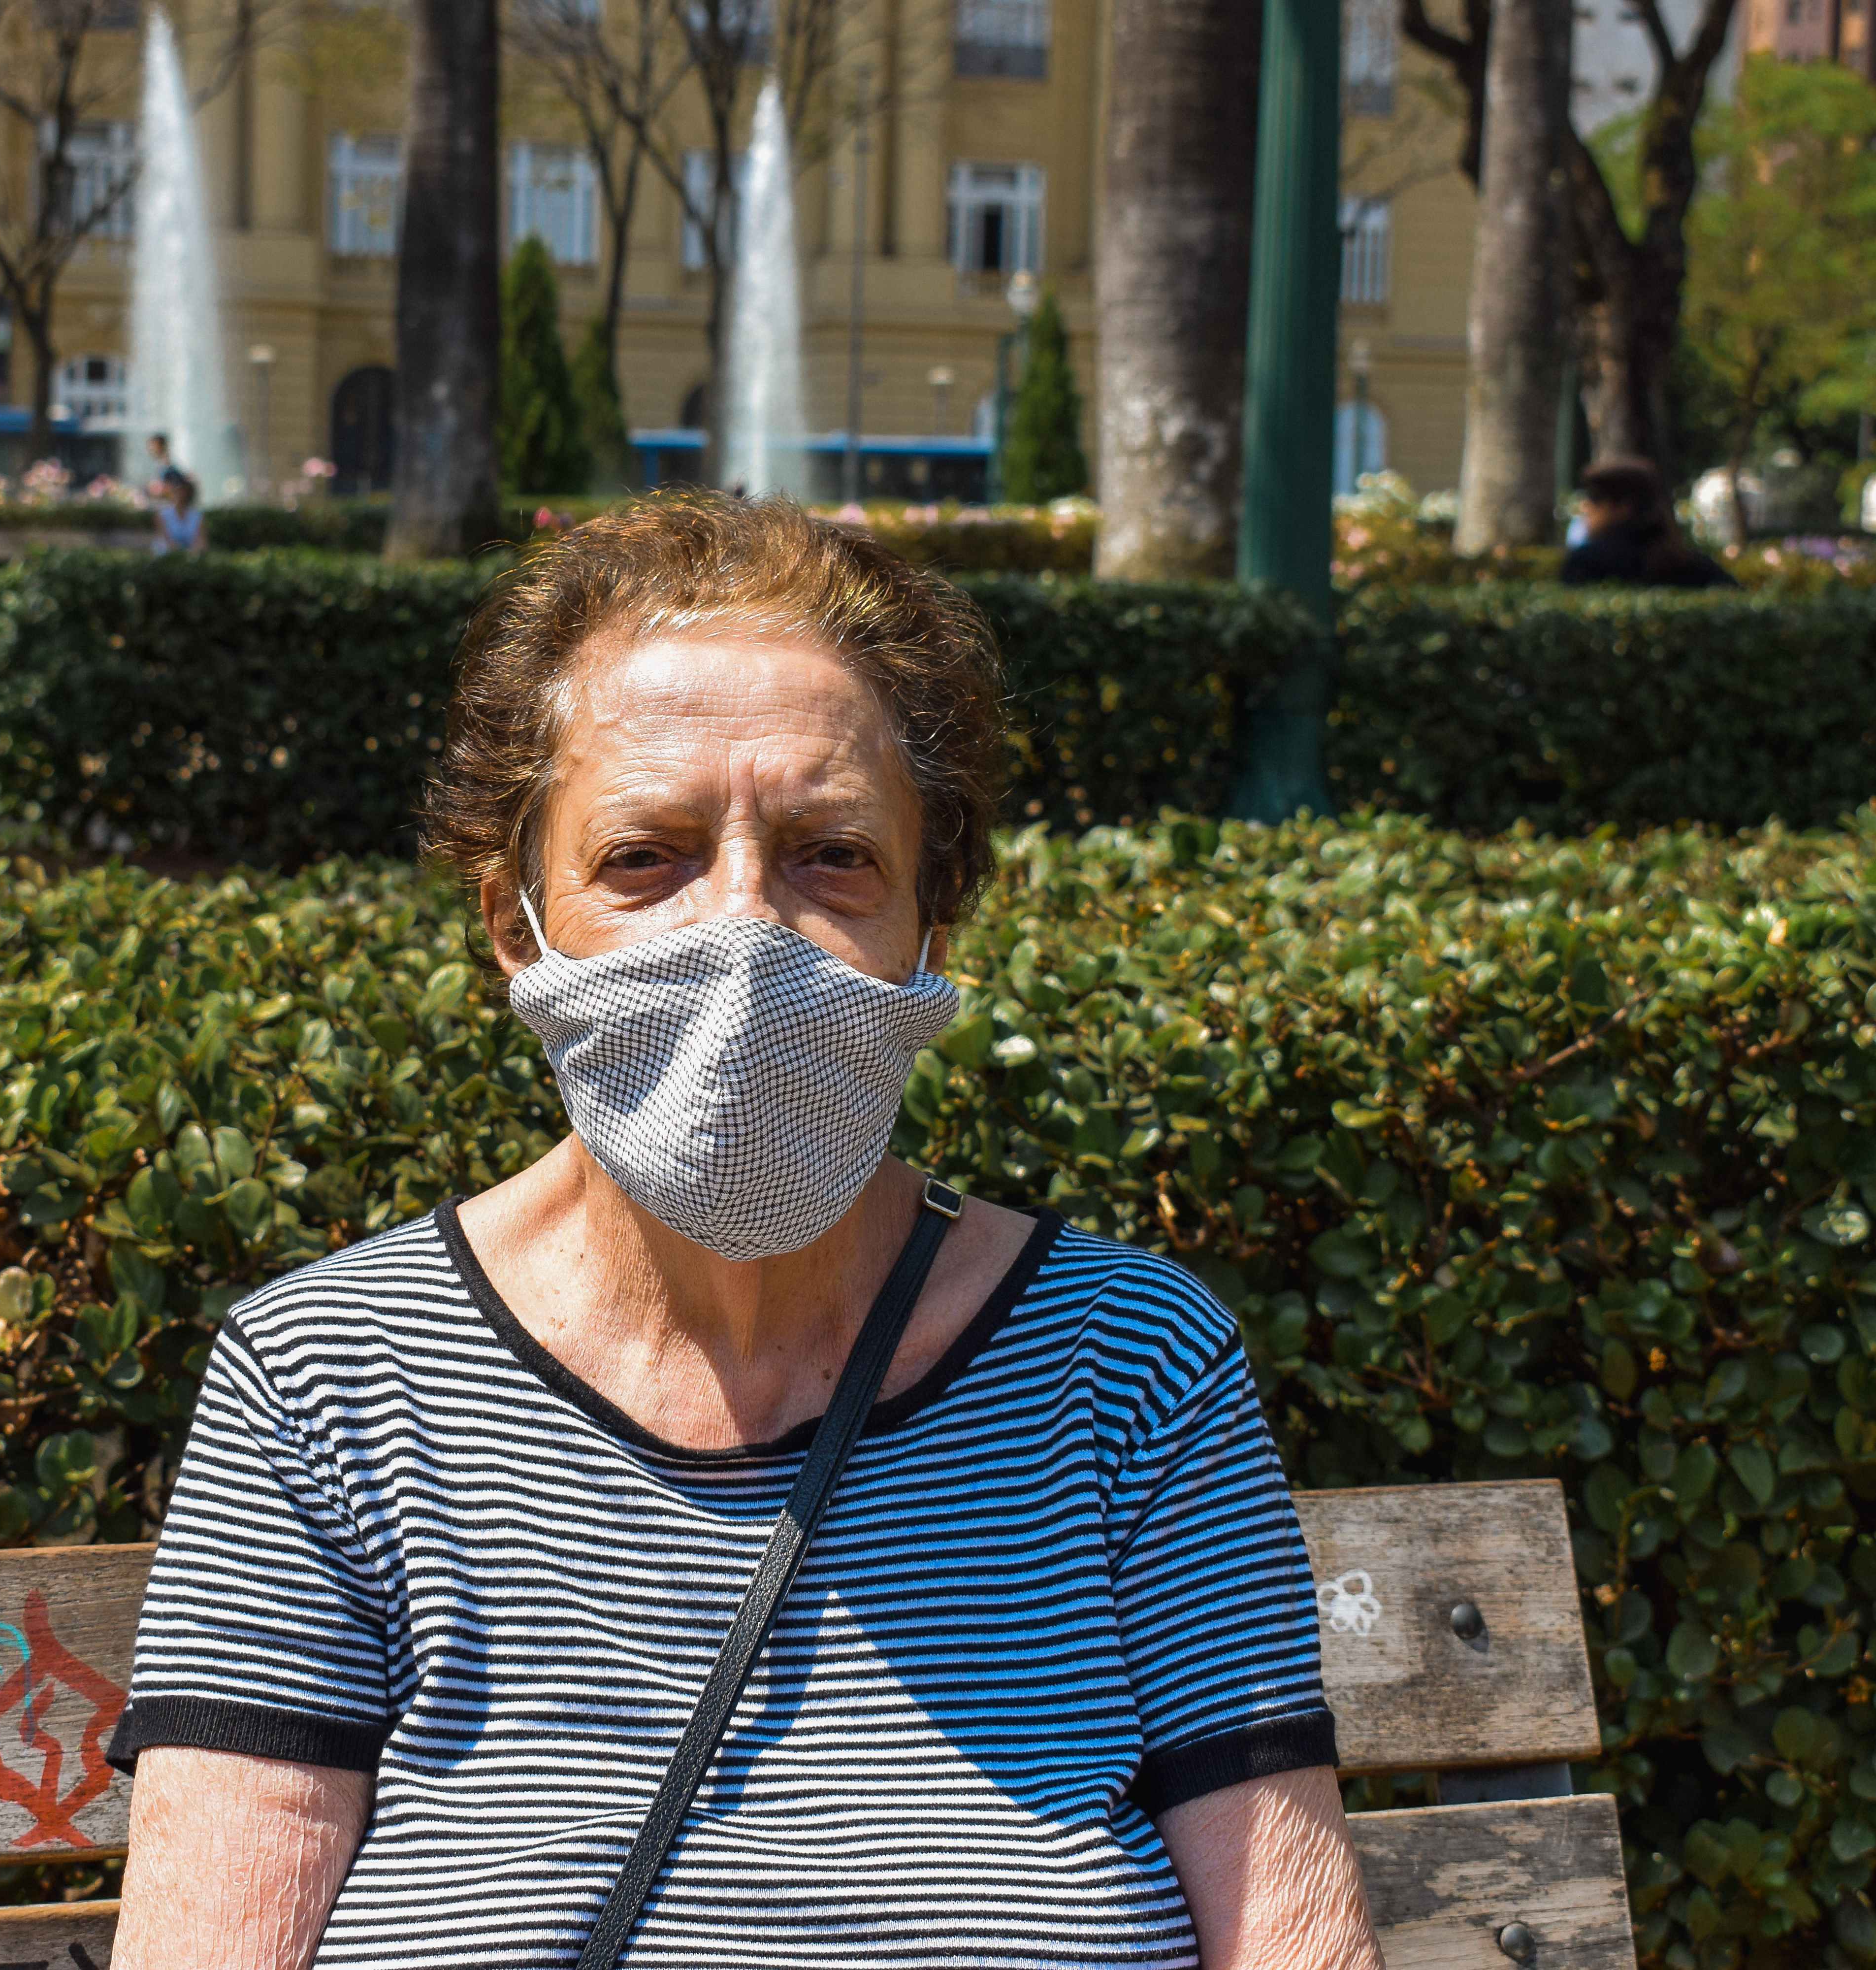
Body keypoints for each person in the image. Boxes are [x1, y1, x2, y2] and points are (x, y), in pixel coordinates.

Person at [104, 496, 1383, 1968]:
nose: (742, 936)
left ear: (931, 919)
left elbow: (1291, 1936)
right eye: (640, 856)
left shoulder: (1130, 1369)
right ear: (516, 923)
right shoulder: (328, 1378)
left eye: (831, 854)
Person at [1562, 455, 1734, 589]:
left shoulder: (1586, 563)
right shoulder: (1689, 563)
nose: (1585, 507)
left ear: (1623, 507)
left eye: (1595, 499)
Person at [151, 468, 202, 555]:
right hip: (167, 556)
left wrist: (194, 553)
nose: (181, 494)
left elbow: (201, 541)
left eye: (184, 491)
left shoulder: (197, 516)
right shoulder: (162, 515)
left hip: (191, 557)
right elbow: (166, 540)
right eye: (178, 491)